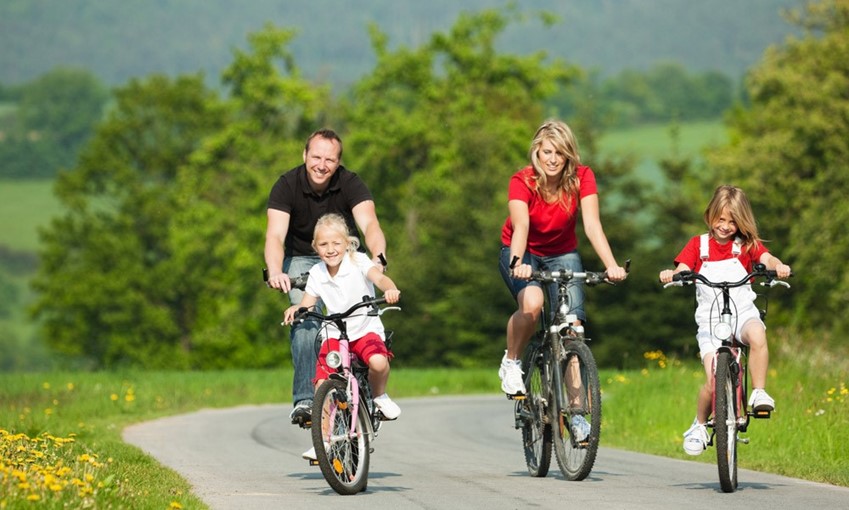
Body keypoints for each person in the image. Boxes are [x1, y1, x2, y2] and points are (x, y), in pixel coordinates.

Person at [498, 119, 627, 407]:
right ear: (536, 153)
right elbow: (521, 226)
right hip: (523, 250)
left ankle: (578, 412)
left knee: (572, 329)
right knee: (532, 303)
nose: (553, 159)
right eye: (547, 152)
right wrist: (518, 262)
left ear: (569, 154)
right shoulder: (522, 181)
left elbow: (592, 225)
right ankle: (512, 361)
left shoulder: (583, 176)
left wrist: (611, 265)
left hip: (562, 253)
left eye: (560, 153)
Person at [265, 129, 388, 427]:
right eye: (316, 157)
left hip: (344, 255)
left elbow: (369, 223)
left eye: (329, 160)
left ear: (338, 163)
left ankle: (368, 388)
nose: (322, 165)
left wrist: (379, 257)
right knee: (306, 319)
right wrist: (276, 270)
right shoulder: (286, 185)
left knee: (357, 314)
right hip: (301, 259)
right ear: (305, 156)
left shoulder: (350, 183)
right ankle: (307, 400)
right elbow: (275, 235)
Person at [658, 184, 792, 456]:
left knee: (757, 335)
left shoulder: (746, 246)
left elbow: (766, 258)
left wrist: (777, 266)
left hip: (742, 313)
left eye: (732, 221)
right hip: (710, 322)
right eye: (720, 219)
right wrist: (674, 274)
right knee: (712, 379)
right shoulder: (699, 245)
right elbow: (684, 266)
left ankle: (759, 393)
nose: (725, 226)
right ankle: (698, 424)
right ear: (710, 215)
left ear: (741, 222)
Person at [283, 213, 401, 460]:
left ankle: (379, 396)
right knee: (321, 383)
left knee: (378, 362)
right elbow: (308, 301)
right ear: (315, 248)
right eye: (323, 245)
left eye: (336, 243)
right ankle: (323, 440)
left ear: (347, 243)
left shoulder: (358, 261)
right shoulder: (316, 272)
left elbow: (378, 277)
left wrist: (389, 288)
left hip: (364, 327)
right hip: (335, 331)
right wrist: (298, 309)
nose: (330, 249)